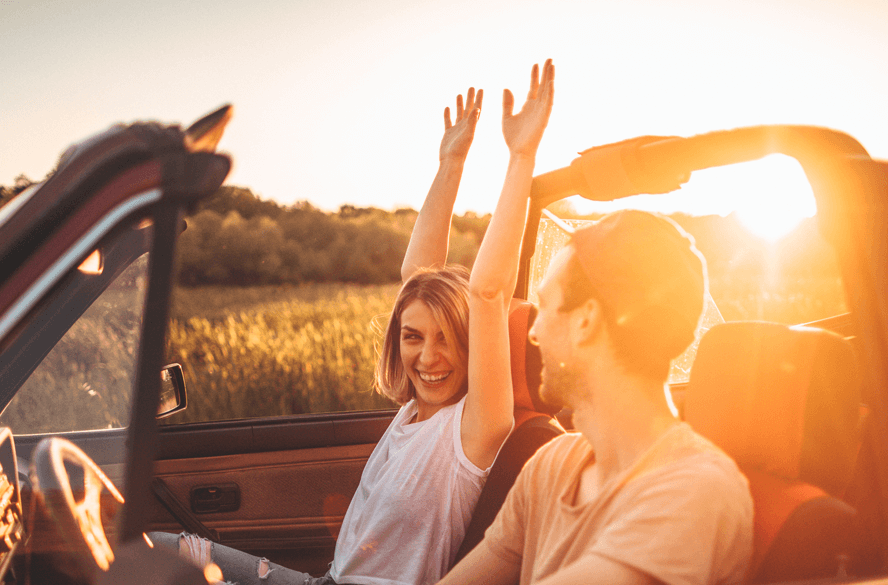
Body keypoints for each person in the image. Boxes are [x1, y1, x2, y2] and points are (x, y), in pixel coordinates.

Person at [150, 59, 555, 585]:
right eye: (413, 337)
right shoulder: (415, 409)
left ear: (476, 345)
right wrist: (450, 165)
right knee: (152, 552)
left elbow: (488, 290)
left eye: (448, 340)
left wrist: (521, 156)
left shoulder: (475, 431)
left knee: (153, 561)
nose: (428, 357)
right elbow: (418, 274)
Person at [438, 209, 754, 585]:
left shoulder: (694, 489)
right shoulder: (550, 464)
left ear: (585, 321)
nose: (533, 332)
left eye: (545, 307)